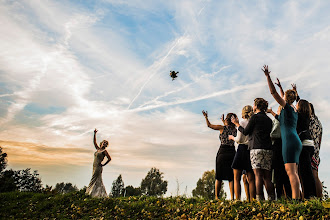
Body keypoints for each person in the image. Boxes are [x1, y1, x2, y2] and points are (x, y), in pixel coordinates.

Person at [262, 65, 302, 200]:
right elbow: (278, 117)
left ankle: (296, 201)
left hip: (289, 141)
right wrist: (272, 112)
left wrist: (268, 77)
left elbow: (273, 93)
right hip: (295, 140)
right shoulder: (293, 110)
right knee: (293, 172)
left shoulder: (287, 108)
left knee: (291, 173)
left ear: (286, 98)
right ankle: (297, 198)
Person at [231, 98, 275, 201]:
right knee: (267, 177)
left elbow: (246, 132)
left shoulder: (254, 118)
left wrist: (237, 125)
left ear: (256, 106)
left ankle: (259, 199)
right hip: (268, 149)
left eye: (254, 105)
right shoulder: (269, 120)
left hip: (256, 148)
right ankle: (272, 198)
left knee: (258, 175)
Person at [202, 111, 237, 200]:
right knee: (231, 177)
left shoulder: (222, 128)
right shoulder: (235, 130)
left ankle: (217, 197)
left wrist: (206, 117)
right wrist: (224, 121)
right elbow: (229, 130)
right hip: (232, 152)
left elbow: (209, 125)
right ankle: (232, 197)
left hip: (222, 152)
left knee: (219, 176)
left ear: (226, 120)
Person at [228, 105, 256, 201]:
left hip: (242, 149)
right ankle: (253, 200)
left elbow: (239, 139)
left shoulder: (242, 122)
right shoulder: (253, 122)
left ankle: (238, 199)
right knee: (251, 178)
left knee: (236, 178)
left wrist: (232, 137)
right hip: (250, 149)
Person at [267, 106, 292, 199]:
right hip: (285, 145)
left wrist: (267, 136)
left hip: (278, 145)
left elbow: (275, 133)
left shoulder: (278, 121)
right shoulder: (287, 120)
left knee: (278, 172)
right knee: (285, 173)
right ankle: (289, 196)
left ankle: (279, 196)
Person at [86, 129, 112, 197]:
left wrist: (103, 164)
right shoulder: (98, 149)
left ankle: (89, 193)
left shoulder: (104, 151)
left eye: (106, 143)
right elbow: (94, 142)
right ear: (101, 143)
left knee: (94, 179)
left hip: (98, 166)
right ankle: (97, 194)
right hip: (94, 166)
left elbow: (109, 158)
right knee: (97, 180)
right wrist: (95, 134)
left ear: (106, 146)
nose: (105, 144)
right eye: (104, 142)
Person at [309, 103, 323, 198]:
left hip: (311, 149)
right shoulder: (317, 121)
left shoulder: (310, 121)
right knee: (315, 175)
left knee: (313, 175)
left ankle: (317, 197)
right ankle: (319, 196)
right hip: (317, 150)